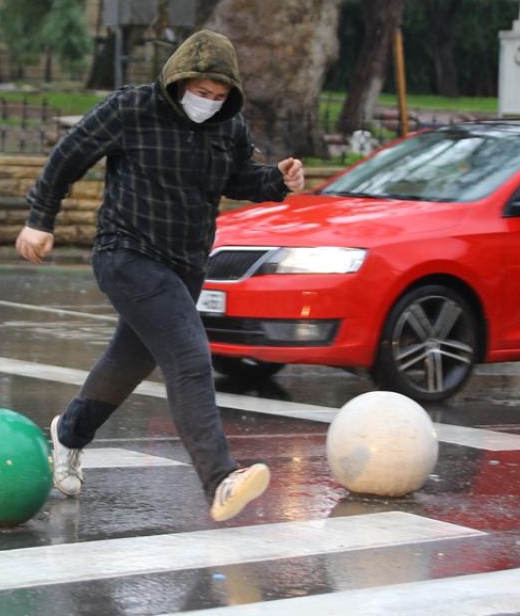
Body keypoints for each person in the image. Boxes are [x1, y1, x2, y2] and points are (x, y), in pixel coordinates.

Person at [15, 29, 305, 522]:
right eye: (201, 91)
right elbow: (69, 154)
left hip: (185, 265)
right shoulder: (132, 108)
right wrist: (40, 219)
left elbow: (236, 177)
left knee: (128, 361)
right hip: (126, 253)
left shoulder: (228, 127)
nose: (208, 102)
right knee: (190, 356)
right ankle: (220, 477)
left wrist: (277, 179)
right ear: (178, 81)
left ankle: (69, 433)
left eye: (219, 95)